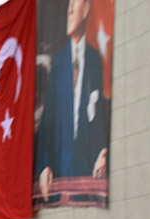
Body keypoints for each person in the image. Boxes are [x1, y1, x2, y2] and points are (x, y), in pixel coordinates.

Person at [36, 0, 109, 201]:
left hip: (88, 172)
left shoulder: (95, 61)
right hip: (60, 173)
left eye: (74, 5)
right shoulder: (58, 63)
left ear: (85, 9)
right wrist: (44, 165)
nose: (69, 11)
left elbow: (100, 116)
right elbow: (48, 122)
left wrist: (103, 151)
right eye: (68, 6)